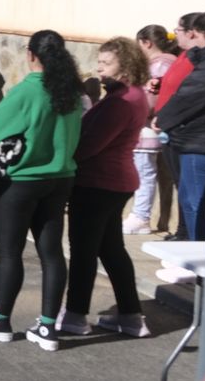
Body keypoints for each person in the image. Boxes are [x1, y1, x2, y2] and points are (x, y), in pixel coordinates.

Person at [0, 29, 85, 350]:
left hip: (23, 180)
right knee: (52, 252)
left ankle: (1, 319)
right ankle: (47, 327)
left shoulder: (27, 90)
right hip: (60, 179)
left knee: (10, 253)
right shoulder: (72, 92)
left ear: (30, 54)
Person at [58, 36, 153, 337]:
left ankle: (74, 315)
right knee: (112, 251)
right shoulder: (135, 94)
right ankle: (130, 316)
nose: (100, 69)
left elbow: (89, 146)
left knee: (85, 251)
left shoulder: (120, 102)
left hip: (99, 183)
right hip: (116, 182)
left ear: (125, 65)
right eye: (99, 62)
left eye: (106, 63)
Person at [158, 16, 205, 242]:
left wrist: (162, 120)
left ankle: (200, 266)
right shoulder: (200, 60)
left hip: (199, 144)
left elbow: (189, 96)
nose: (191, 40)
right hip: (196, 141)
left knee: (196, 205)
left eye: (195, 35)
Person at [127, 23, 183, 234]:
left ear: (146, 43)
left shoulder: (159, 66)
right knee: (146, 173)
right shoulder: (167, 63)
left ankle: (141, 216)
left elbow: (152, 97)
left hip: (148, 129)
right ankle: (141, 215)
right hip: (151, 129)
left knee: (144, 173)